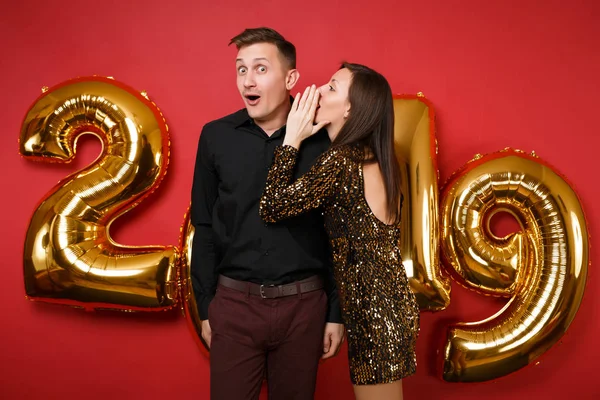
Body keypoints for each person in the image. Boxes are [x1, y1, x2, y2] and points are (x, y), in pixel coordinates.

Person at [190, 27, 345, 400]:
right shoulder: (216, 136)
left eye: (260, 69)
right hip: (234, 306)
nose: (247, 80)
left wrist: (335, 312)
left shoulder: (326, 140)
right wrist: (208, 306)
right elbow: (205, 225)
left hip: (304, 308)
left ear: (290, 78)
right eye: (241, 69)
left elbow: (339, 233)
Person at [260, 64, 420, 400]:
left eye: (332, 87)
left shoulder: (341, 161)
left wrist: (291, 139)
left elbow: (272, 206)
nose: (318, 90)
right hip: (386, 307)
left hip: (374, 313)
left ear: (351, 108)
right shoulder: (375, 157)